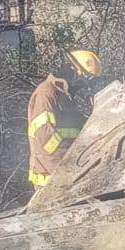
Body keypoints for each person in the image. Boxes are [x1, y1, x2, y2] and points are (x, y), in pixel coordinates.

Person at [26, 50, 100, 189]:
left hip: (66, 176)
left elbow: (76, 131)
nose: (82, 87)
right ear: (74, 71)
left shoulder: (65, 97)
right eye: (83, 82)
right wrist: (74, 155)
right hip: (50, 180)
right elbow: (46, 139)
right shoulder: (46, 93)